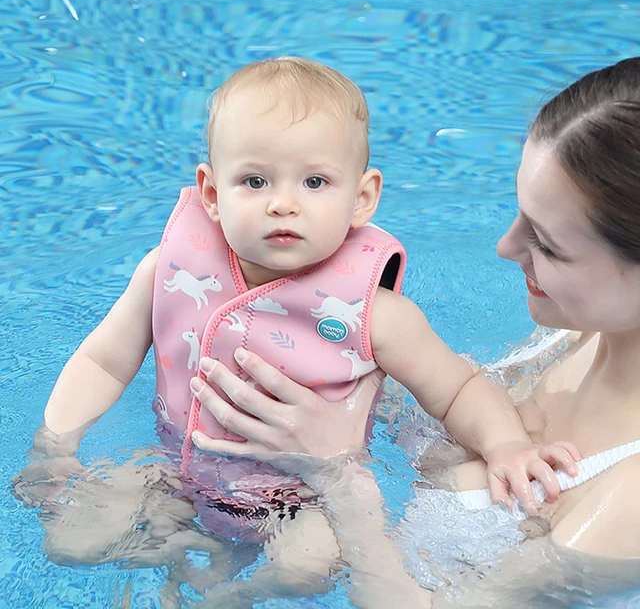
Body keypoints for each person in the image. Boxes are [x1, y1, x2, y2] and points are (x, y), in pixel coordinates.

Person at [18, 56, 577, 606]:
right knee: (72, 542)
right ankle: (184, 543)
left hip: (302, 498)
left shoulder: (374, 314)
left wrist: (506, 444)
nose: (283, 203)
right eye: (255, 180)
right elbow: (102, 362)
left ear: (362, 198)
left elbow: (457, 388)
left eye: (314, 181)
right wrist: (56, 446)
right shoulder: (168, 268)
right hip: (174, 470)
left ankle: (231, 592)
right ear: (211, 193)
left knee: (307, 567)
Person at [187, 56, 640, 607]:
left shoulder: (627, 500)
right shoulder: (580, 332)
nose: (505, 248)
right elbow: (441, 399)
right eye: (518, 213)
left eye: (546, 243)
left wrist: (337, 473)